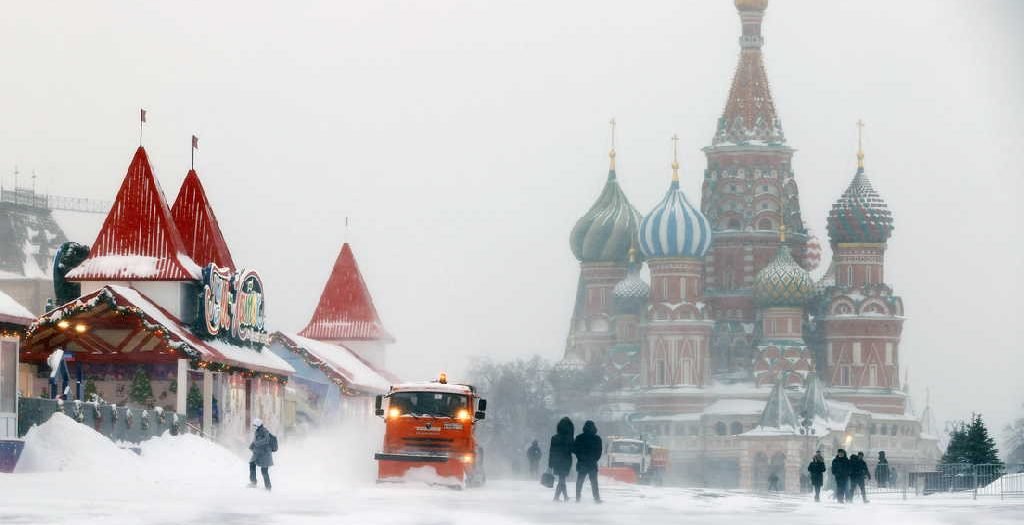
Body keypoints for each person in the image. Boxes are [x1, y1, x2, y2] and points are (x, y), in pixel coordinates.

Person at [573, 420, 603, 503]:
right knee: (594, 482)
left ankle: (577, 498)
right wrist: (594, 459)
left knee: (579, 481)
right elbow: (599, 452)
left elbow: (574, 449)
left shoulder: (579, 438)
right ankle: (596, 498)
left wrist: (580, 457)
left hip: (582, 463)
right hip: (592, 463)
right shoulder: (597, 439)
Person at [548, 417, 574, 502]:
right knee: (562, 479)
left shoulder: (554, 438)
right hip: (566, 461)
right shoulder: (570, 438)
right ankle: (557, 497)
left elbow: (551, 451)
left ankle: (565, 496)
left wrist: (550, 465)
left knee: (561, 479)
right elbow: (573, 450)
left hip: (557, 461)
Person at [248, 418, 273, 490]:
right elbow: (255, 440)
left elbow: (266, 440)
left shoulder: (264, 431)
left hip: (265, 454)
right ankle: (253, 482)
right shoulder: (257, 431)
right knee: (252, 464)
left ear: (259, 425)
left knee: (264, 471)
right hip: (258, 453)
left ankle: (268, 487)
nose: (254, 427)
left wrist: (256, 444)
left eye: (255, 425)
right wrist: (251, 446)